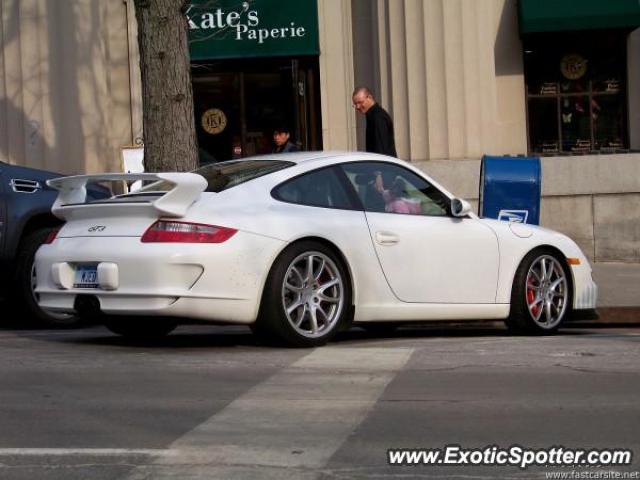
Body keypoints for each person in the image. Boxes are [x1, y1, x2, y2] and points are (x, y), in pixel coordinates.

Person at [352, 86, 397, 157]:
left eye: (360, 102)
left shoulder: (378, 117)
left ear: (369, 97)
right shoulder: (372, 115)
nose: (357, 107)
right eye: (355, 104)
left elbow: (381, 149)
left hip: (383, 165)